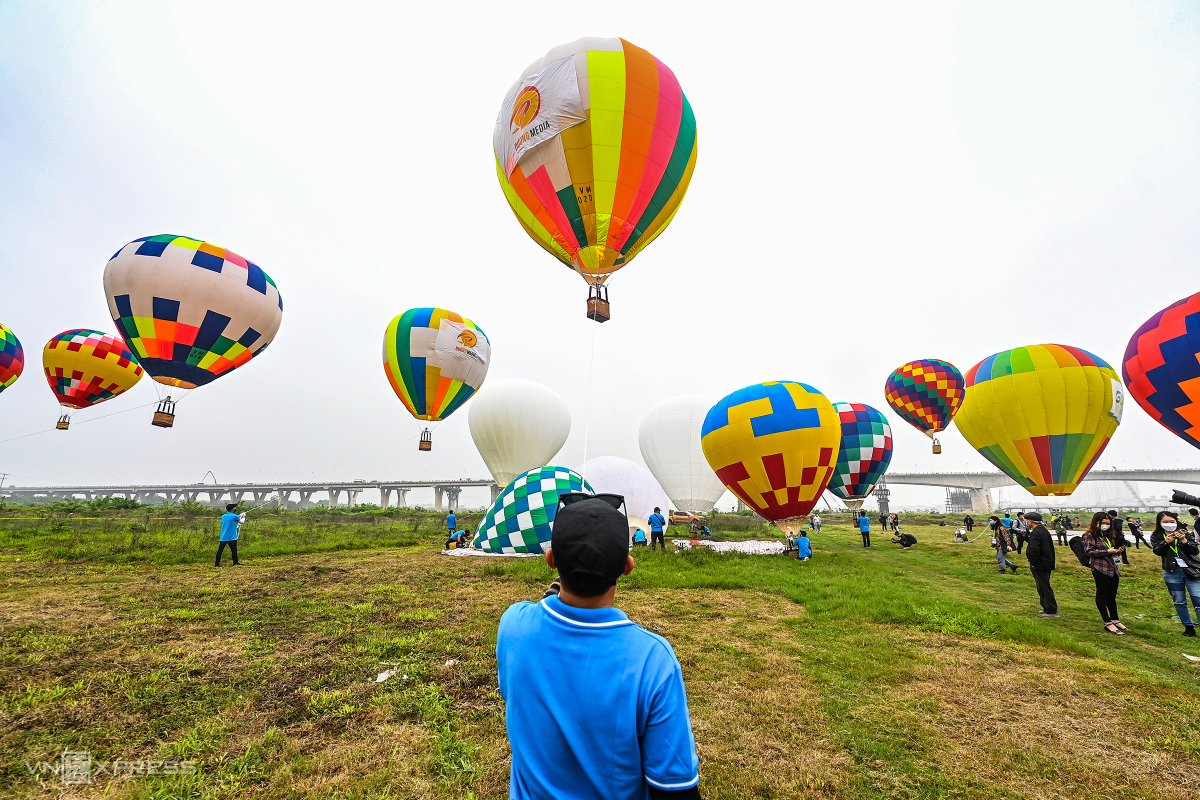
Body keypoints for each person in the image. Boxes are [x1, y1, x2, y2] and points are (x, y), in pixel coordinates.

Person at [497, 497, 701, 799]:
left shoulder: (513, 625)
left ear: (551, 559)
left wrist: (559, 587)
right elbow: (675, 789)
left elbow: (543, 605)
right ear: (627, 567)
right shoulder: (653, 659)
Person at [1150, 511, 1200, 637]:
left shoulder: (1186, 533)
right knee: (1179, 601)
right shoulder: (1156, 536)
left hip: (1191, 571)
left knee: (1198, 600)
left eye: (1172, 521)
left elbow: (1194, 550)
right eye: (1165, 522)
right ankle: (1189, 627)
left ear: (1176, 521)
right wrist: (1166, 541)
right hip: (1172, 572)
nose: (1169, 524)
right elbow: (1157, 551)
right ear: (1159, 523)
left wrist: (1183, 540)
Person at [1081, 512, 1127, 635]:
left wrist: (1117, 550)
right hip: (1100, 568)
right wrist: (1108, 550)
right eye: (1103, 523)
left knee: (1112, 596)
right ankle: (1107, 622)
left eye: (1108, 523)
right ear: (1096, 522)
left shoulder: (1107, 535)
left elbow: (1110, 549)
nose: (1106, 525)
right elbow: (1089, 551)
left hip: (1113, 568)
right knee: (1102, 595)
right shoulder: (1089, 535)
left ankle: (1115, 619)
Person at [1023, 512, 1058, 617]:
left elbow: (1034, 549)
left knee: (1044, 587)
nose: (1025, 522)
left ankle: (1051, 610)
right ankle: (1046, 607)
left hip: (1040, 564)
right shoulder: (1043, 531)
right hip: (1046, 562)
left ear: (1031, 521)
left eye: (1026, 520)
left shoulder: (1036, 533)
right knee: (1042, 586)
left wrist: (1033, 562)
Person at [215, 503, 245, 567]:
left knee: (220, 551)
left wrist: (238, 516)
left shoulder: (223, 516)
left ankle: (216, 564)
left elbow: (231, 519)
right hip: (232, 537)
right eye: (235, 507)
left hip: (223, 536)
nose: (236, 508)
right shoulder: (234, 516)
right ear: (233, 508)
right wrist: (244, 516)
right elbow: (241, 522)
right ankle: (235, 563)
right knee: (234, 551)